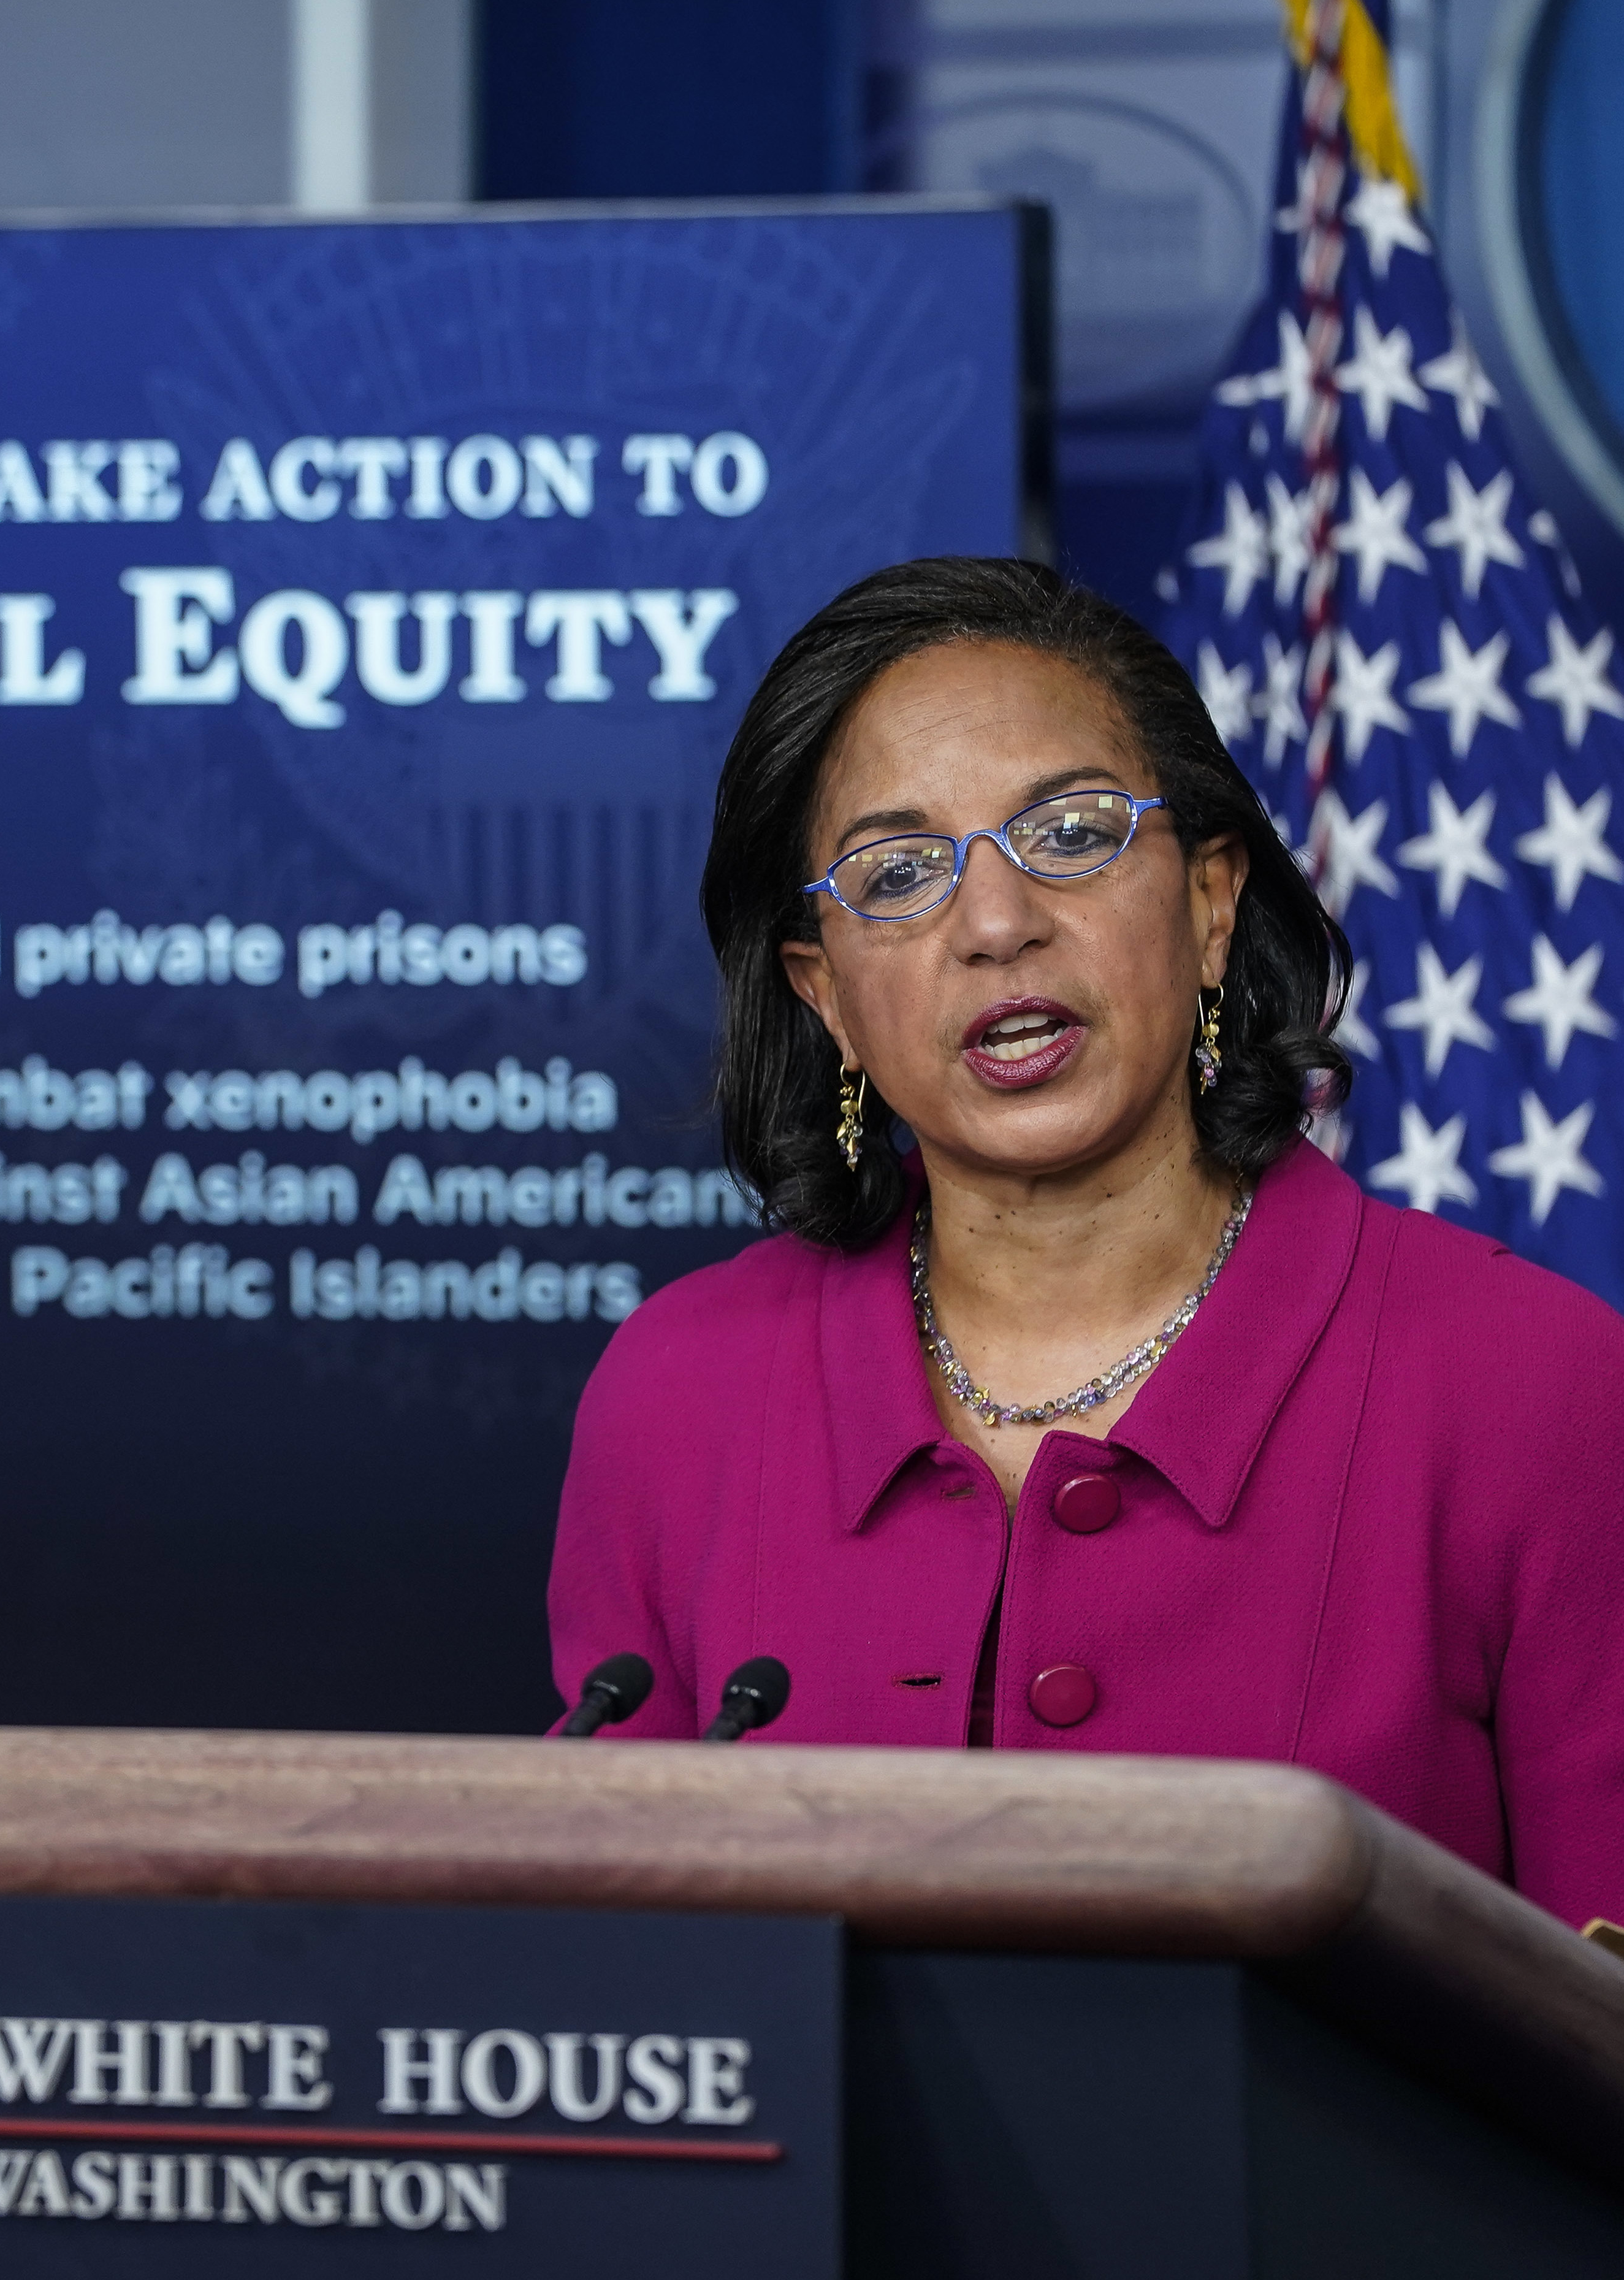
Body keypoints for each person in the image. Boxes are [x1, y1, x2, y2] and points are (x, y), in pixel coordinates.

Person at [547, 556, 1624, 1930]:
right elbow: (619, 1990)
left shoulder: (1533, 1386)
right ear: (825, 996)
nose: (997, 924)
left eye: (1070, 832)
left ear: (1211, 904)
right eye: (897, 872)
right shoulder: (679, 1392)